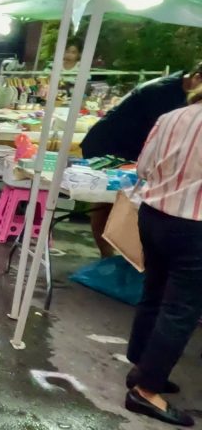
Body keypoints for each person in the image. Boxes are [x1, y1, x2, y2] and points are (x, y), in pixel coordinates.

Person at [123, 83, 202, 427]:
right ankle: (146, 389)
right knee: (180, 309)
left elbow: (143, 168)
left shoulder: (170, 117)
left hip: (153, 214)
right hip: (194, 225)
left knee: (154, 292)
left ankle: (142, 365)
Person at [81, 62, 202, 258]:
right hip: (109, 144)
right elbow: (162, 140)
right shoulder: (161, 93)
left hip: (135, 149)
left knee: (122, 204)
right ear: (196, 78)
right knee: (106, 203)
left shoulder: (180, 91)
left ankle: (123, 259)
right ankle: (107, 257)